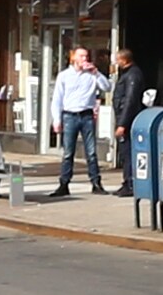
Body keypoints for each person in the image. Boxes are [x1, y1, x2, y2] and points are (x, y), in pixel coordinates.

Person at [50, 47, 111, 197]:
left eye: (87, 56)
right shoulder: (64, 76)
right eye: (82, 56)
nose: (85, 59)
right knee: (68, 152)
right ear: (73, 58)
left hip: (87, 115)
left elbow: (107, 87)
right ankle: (64, 184)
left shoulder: (92, 75)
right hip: (69, 115)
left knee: (91, 152)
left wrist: (96, 72)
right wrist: (56, 119)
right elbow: (57, 98)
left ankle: (96, 182)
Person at [109, 49, 147, 199]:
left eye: (118, 60)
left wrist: (122, 123)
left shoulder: (132, 75)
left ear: (124, 60)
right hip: (123, 117)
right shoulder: (127, 74)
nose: (116, 63)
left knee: (128, 152)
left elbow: (130, 100)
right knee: (124, 153)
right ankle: (127, 182)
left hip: (128, 119)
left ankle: (130, 183)